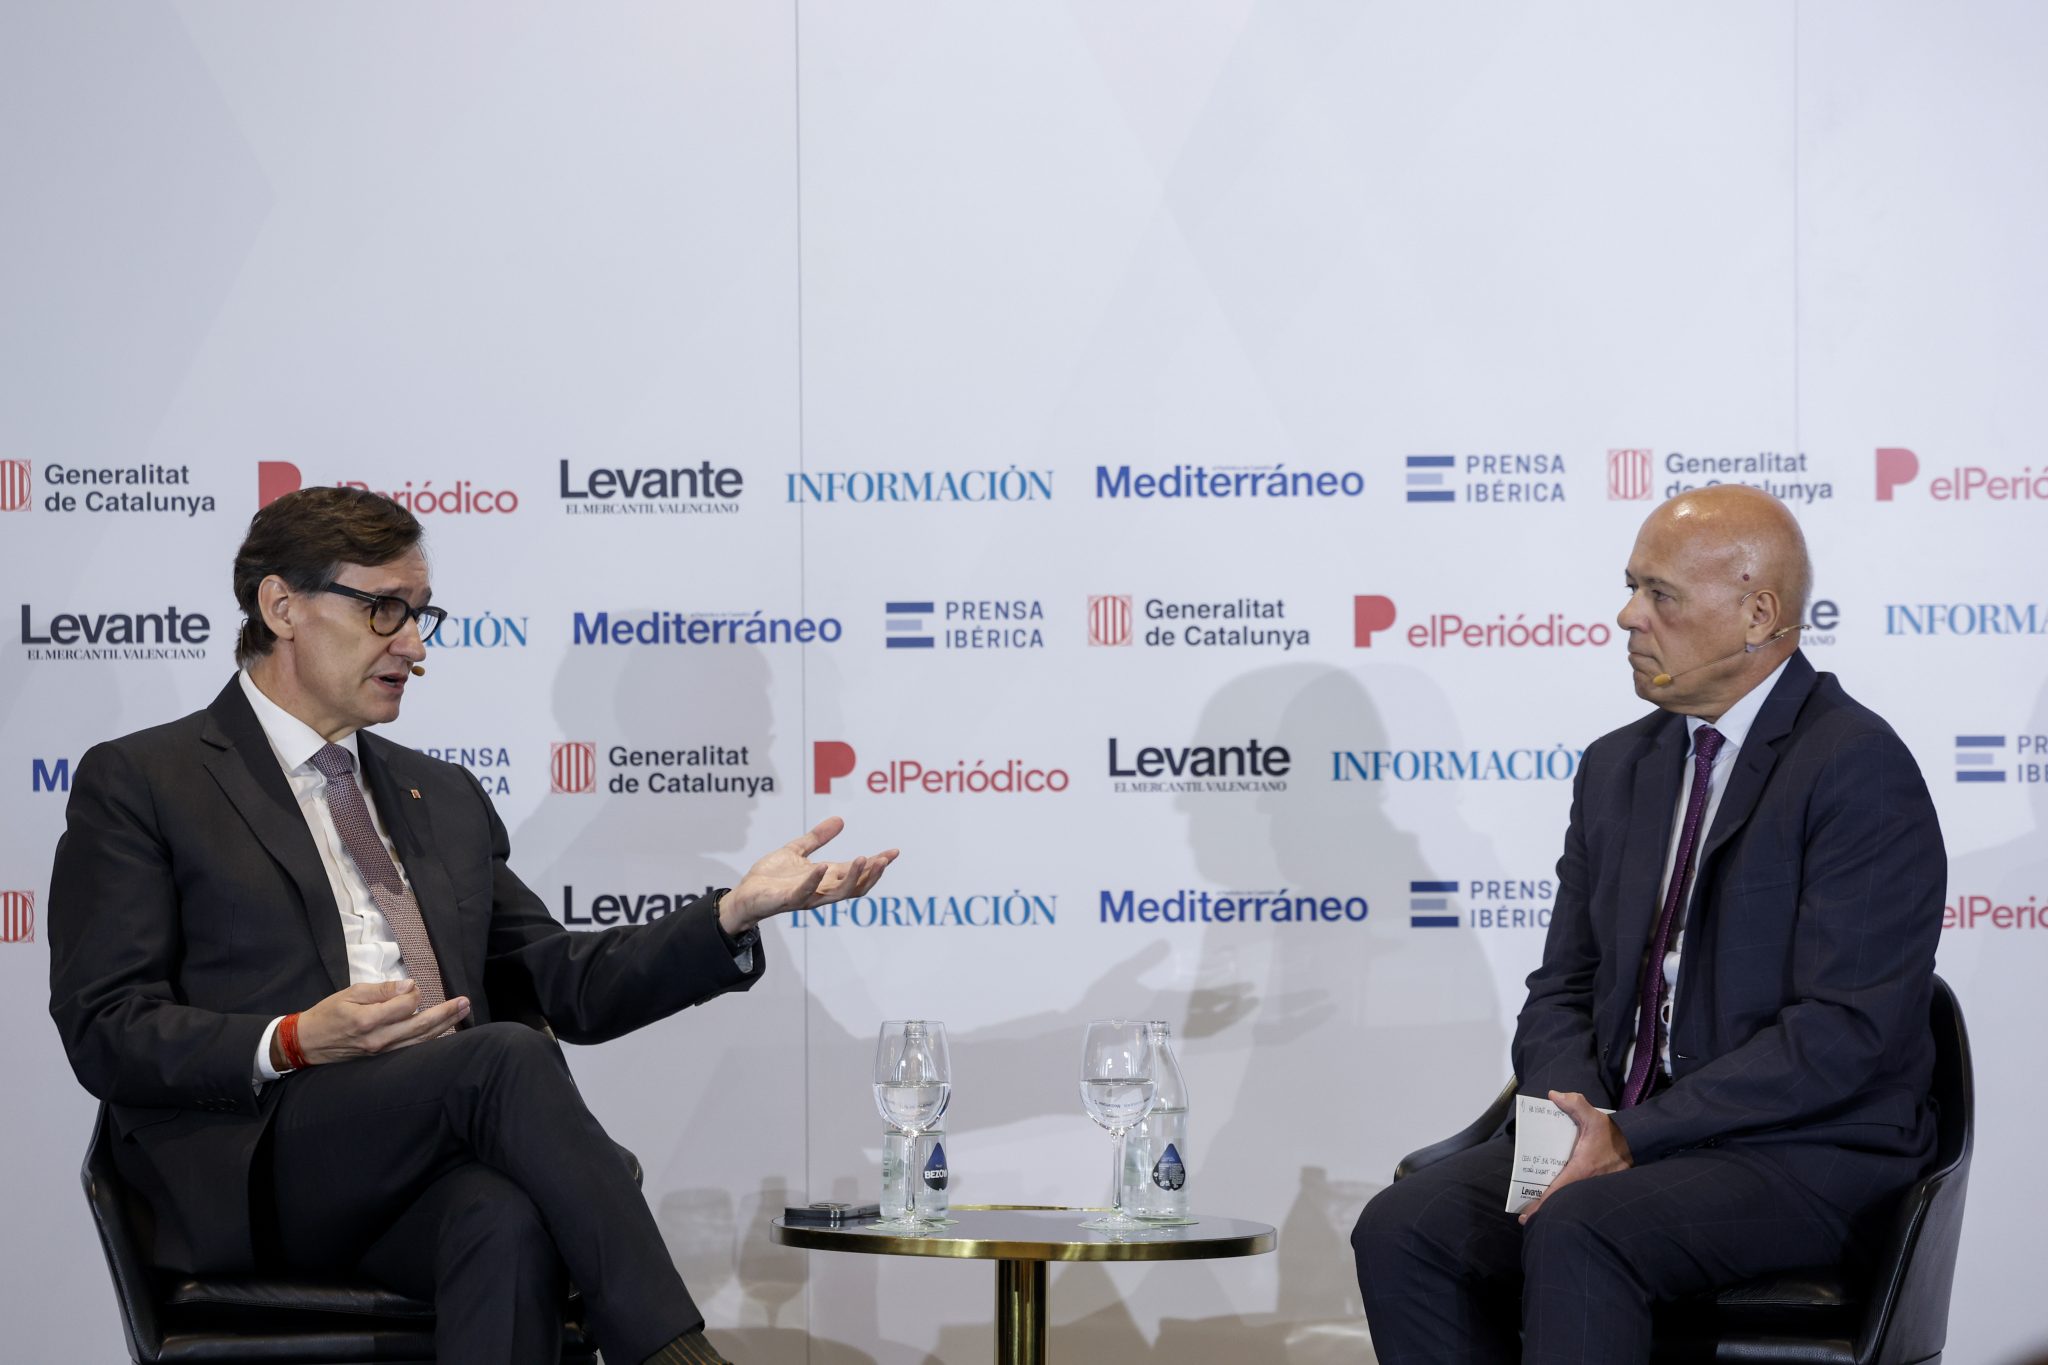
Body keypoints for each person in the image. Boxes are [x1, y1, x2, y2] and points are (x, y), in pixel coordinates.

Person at [48, 486, 898, 1365]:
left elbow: (568, 983)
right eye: (384, 610)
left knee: (505, 1218)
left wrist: (730, 913)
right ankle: (674, 1353)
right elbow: (105, 1025)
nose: (413, 646)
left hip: (422, 1163)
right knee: (503, 1057)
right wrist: (293, 1038)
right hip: (262, 1166)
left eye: (420, 615)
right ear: (282, 605)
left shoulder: (440, 794)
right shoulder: (146, 781)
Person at [1351, 485, 1945, 1365]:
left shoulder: (1856, 766)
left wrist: (1635, 1134)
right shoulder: (1618, 766)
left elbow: (1844, 1033)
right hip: (1632, 1135)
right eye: (1631, 587)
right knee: (1405, 1226)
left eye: (1660, 593)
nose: (1629, 616)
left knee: (1585, 1226)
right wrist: (1577, 1117)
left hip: (1805, 1153)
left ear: (1758, 614)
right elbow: (1564, 986)